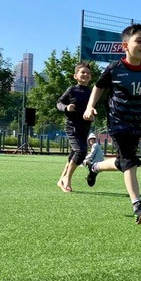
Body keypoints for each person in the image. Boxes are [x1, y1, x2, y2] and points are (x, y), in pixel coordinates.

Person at [83, 23, 141, 225]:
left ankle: (94, 166)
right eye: (139, 41)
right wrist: (89, 107)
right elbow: (98, 87)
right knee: (129, 160)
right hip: (117, 120)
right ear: (125, 46)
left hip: (136, 122)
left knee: (124, 161)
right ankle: (137, 206)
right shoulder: (114, 68)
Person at [55, 62, 92, 192]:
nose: (86, 74)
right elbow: (59, 103)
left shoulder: (91, 92)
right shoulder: (72, 90)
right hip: (72, 126)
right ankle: (67, 179)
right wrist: (66, 107)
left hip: (85, 126)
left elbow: (91, 107)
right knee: (81, 152)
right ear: (75, 76)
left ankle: (61, 180)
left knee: (74, 153)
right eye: (83, 72)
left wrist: (93, 114)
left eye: (88, 73)